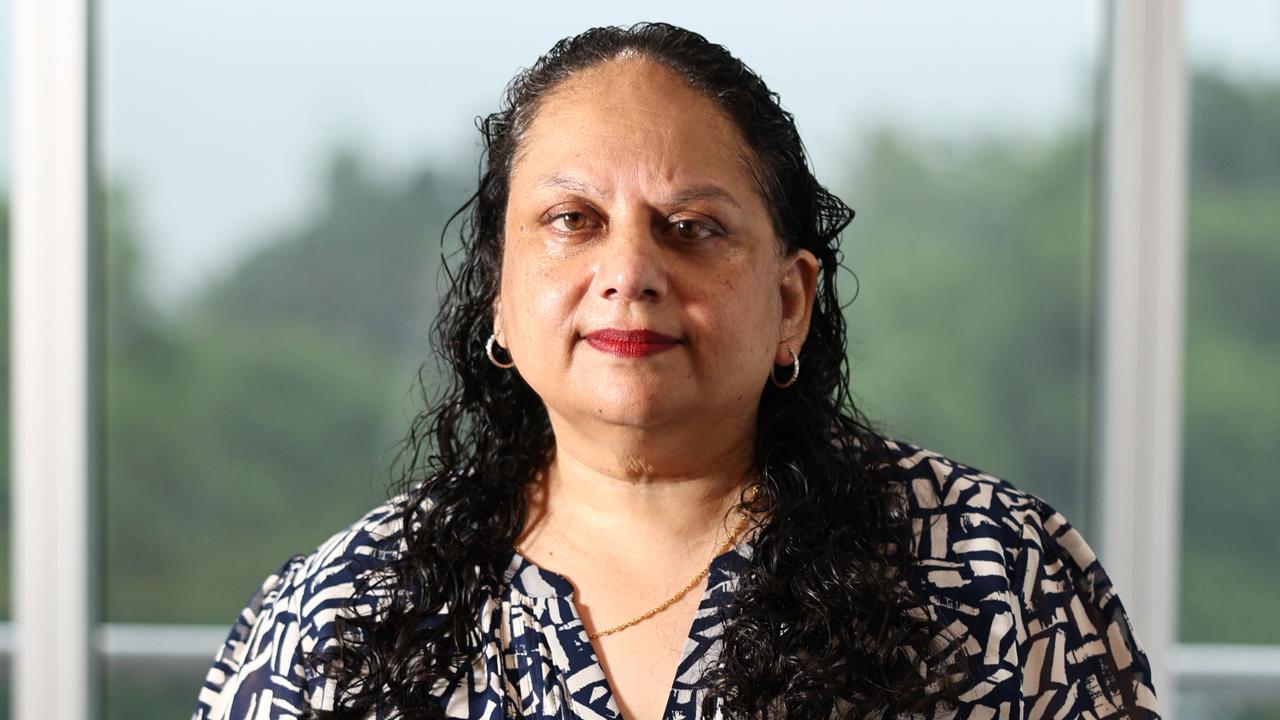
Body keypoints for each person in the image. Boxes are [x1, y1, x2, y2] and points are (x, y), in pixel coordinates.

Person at [193, 22, 1159, 720]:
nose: (628, 274)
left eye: (691, 229)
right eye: (573, 222)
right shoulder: (340, 613)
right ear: (499, 296)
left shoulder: (997, 578)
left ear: (791, 301)